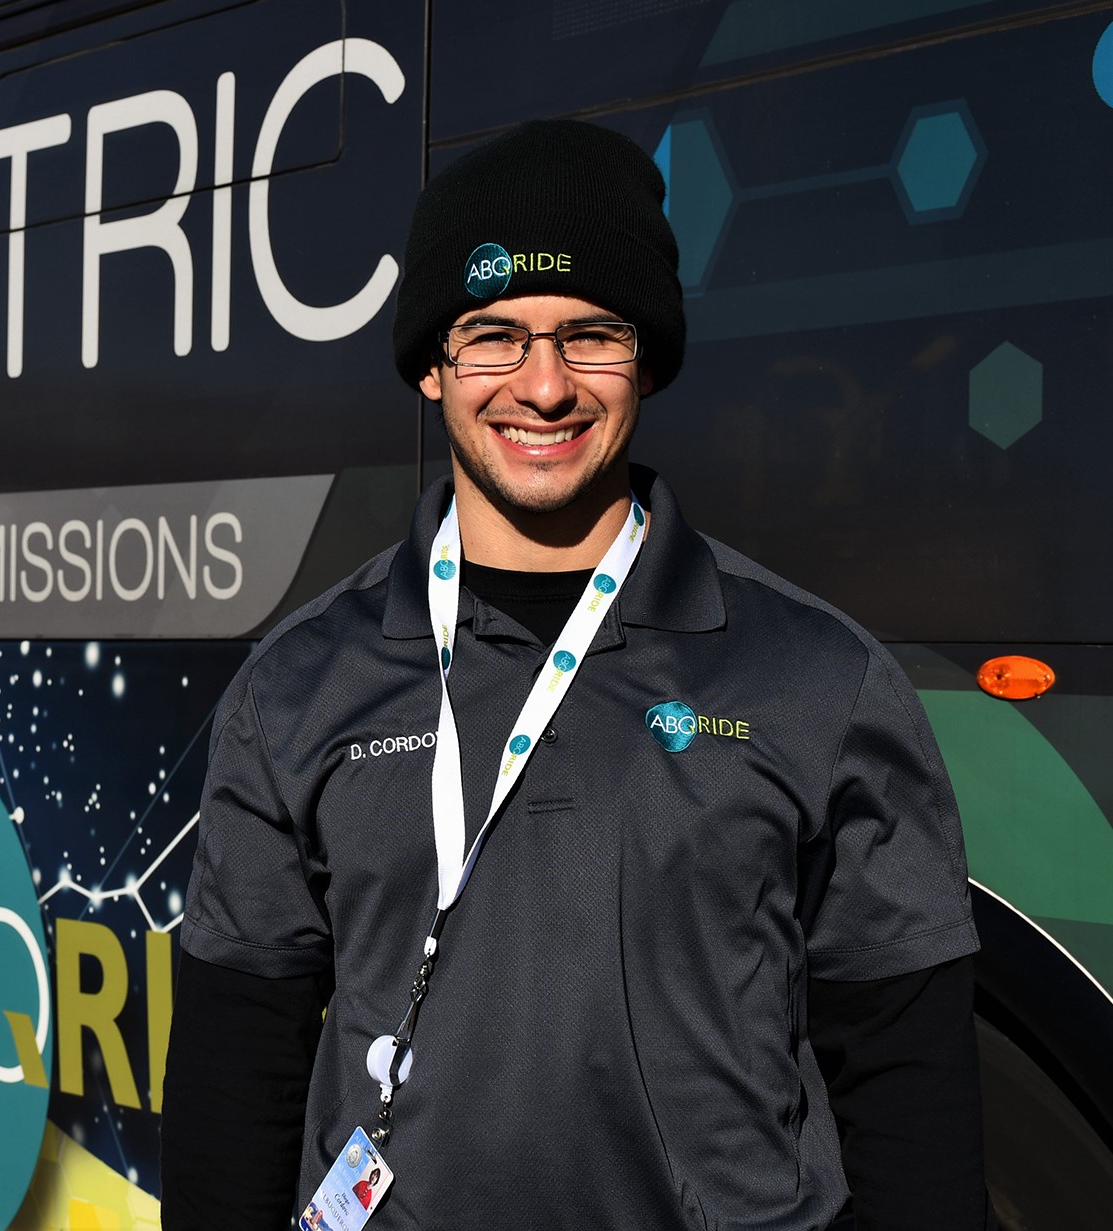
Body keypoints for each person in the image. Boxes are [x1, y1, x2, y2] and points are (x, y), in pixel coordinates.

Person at [160, 120, 988, 1231]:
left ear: (643, 356)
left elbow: (909, 1093)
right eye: (492, 336)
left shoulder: (816, 679)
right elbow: (233, 1081)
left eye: (589, 334)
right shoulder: (298, 685)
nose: (542, 387)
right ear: (428, 365)